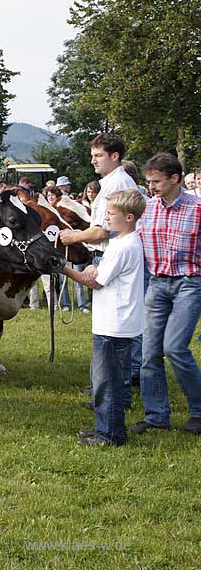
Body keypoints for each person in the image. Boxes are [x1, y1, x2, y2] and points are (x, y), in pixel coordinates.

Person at [63, 188, 146, 446]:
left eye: (111, 213)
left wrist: (63, 268)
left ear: (129, 217)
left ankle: (109, 434)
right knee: (107, 380)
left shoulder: (124, 247)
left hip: (114, 325)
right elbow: (101, 272)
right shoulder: (120, 243)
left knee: (106, 381)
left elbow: (96, 282)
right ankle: (106, 427)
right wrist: (91, 269)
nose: (106, 218)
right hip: (115, 322)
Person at [60, 133, 142, 385]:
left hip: (108, 255)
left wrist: (72, 237)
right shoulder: (112, 181)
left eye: (98, 156)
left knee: (112, 330)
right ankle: (112, 385)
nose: (93, 161)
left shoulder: (116, 183)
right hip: (107, 254)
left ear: (114, 156)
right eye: (92, 156)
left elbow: (102, 231)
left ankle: (114, 388)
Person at [130, 153, 201, 435]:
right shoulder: (148, 209)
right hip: (157, 284)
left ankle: (198, 410)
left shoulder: (197, 209)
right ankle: (157, 415)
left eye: (157, 181)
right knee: (149, 353)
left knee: (175, 348)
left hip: (189, 283)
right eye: (149, 181)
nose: (152, 186)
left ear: (176, 179)